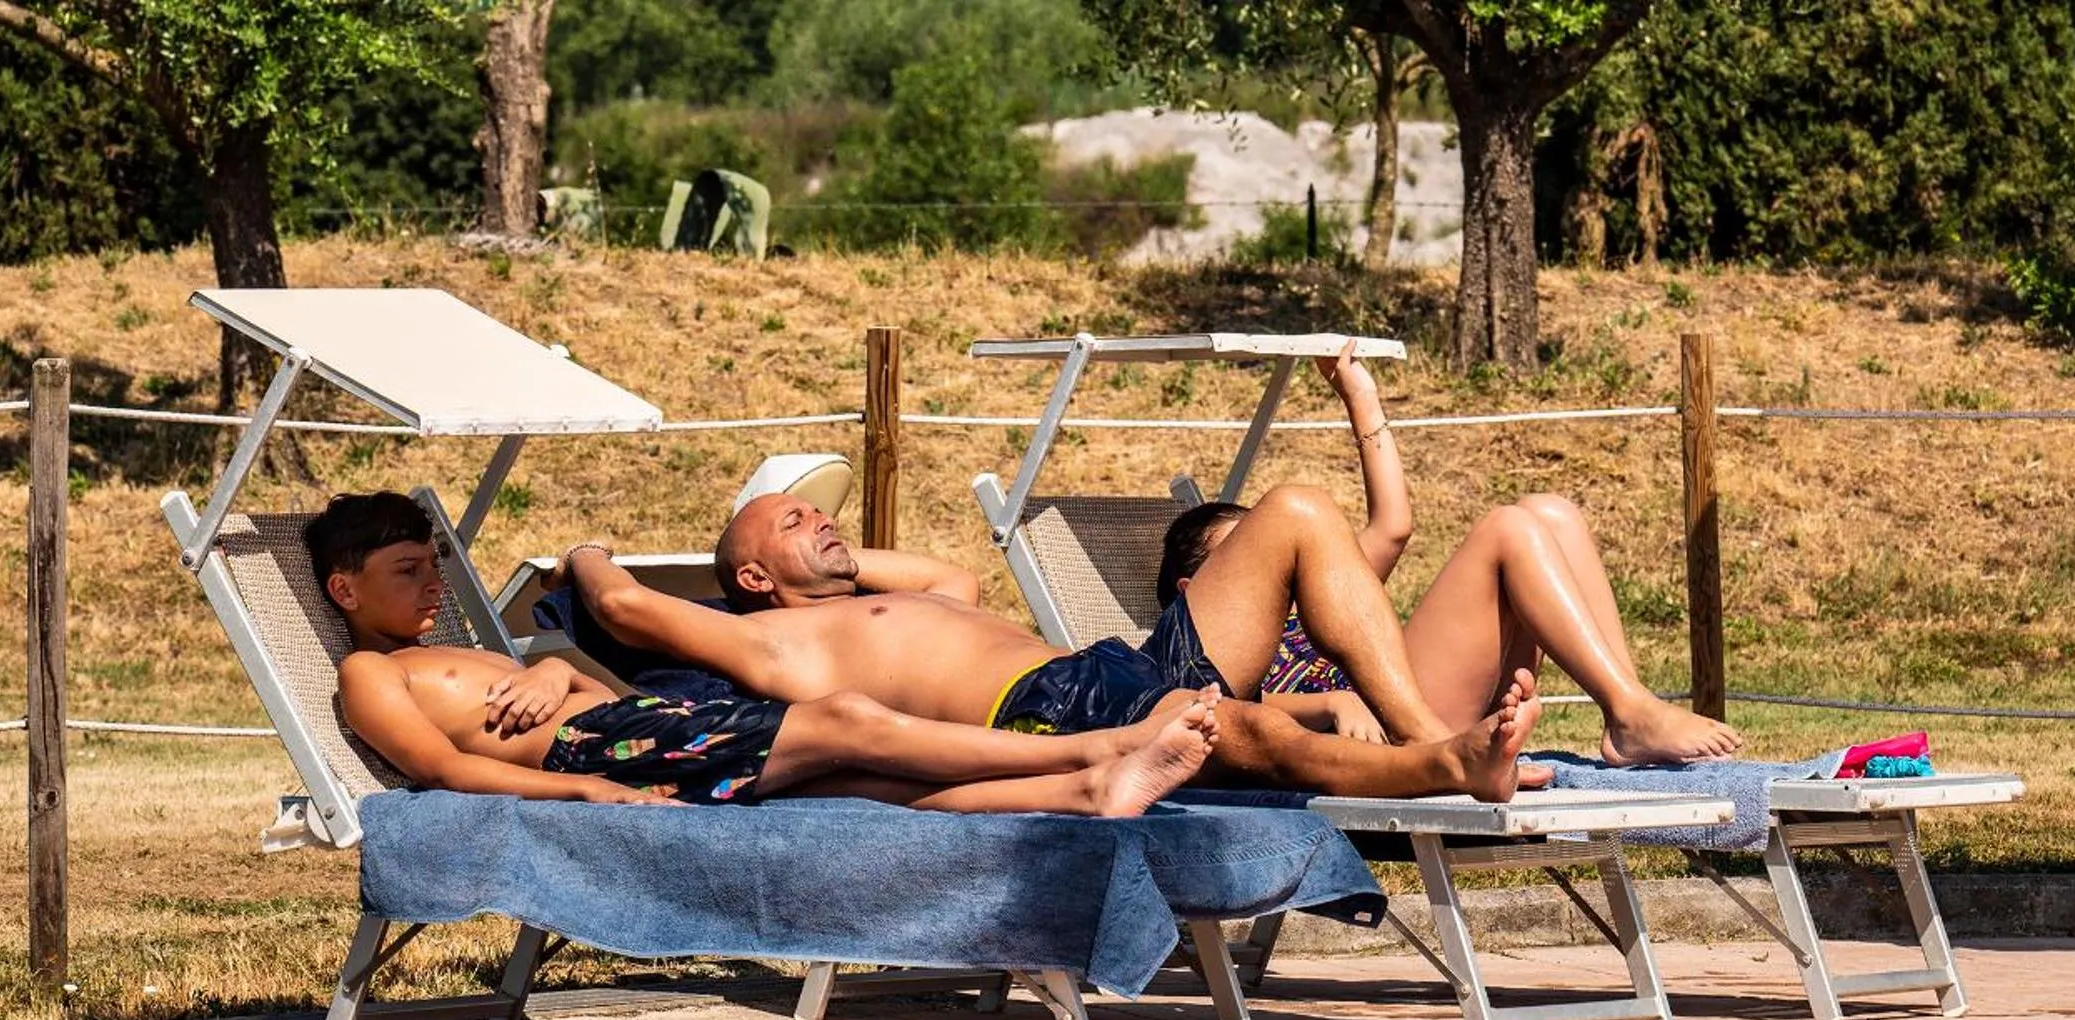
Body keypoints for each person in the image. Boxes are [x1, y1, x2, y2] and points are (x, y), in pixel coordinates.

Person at [559, 485, 1547, 802]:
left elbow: (946, 577)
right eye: (791, 521)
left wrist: (839, 558)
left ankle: (1426, 734)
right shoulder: (781, 649)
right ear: (752, 582)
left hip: (1110, 668)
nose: (819, 517)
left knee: (1295, 508)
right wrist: (585, 550)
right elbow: (628, 609)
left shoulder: (889, 600)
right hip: (1052, 715)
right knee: (1236, 730)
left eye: (818, 507)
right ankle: (1441, 768)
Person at [309, 492, 1217, 817]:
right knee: (852, 724)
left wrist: (549, 668)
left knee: (877, 785)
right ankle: (1090, 752)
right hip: (602, 756)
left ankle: (1086, 794)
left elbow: (583, 684)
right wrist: (587, 790)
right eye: (407, 572)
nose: (433, 586)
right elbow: (441, 770)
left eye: (434, 567)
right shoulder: (371, 674)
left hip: (635, 727)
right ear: (345, 590)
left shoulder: (460, 652)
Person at [1156, 342, 1744, 766]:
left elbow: (1393, 524)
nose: (1268, 554)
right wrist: (1330, 702)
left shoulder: (1311, 598)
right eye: (1243, 549)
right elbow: (1228, 712)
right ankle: (1631, 714)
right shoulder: (1195, 646)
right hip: (1387, 737)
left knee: (1550, 514)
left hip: (1412, 704)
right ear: (1193, 587)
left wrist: (1357, 392)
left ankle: (1628, 708)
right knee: (1507, 529)